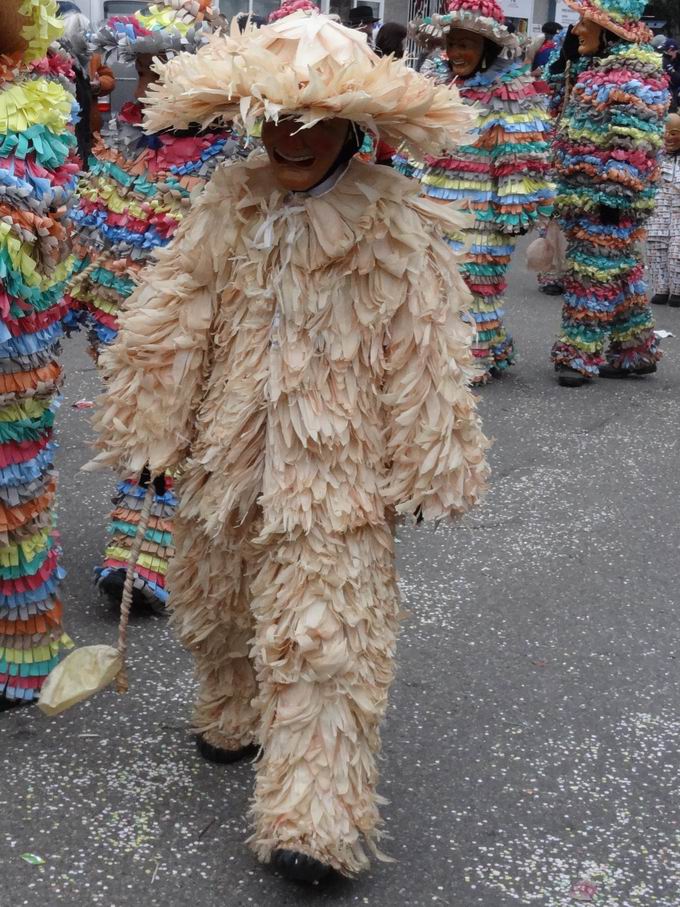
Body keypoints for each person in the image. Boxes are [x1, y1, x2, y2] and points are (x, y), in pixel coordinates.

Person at [88, 11, 489, 882]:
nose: (290, 135)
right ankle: (232, 706)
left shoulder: (394, 220)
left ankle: (317, 816)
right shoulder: (226, 200)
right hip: (223, 456)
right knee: (217, 601)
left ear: (356, 127)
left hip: (333, 475)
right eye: (274, 114)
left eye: (314, 118)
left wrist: (429, 457)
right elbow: (175, 316)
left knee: (327, 638)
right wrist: (152, 424)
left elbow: (425, 346)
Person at [66, 0, 236, 614]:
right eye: (142, 64)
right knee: (145, 429)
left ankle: (135, 557)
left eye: (162, 63)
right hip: (120, 323)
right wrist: (66, 303)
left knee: (166, 431)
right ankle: (148, 548)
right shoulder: (132, 143)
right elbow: (93, 229)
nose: (150, 76)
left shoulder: (238, 157)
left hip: (193, 323)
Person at [0, 0, 79, 710]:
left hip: (11, 348)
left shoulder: (39, 106)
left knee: (10, 495)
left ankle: (19, 650)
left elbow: (48, 228)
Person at [407, 0, 554, 382]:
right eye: (451, 43)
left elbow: (522, 154)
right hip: (435, 199)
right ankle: (486, 344)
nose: (454, 53)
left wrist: (514, 206)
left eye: (465, 44)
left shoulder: (510, 86)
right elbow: (417, 138)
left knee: (476, 280)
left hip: (483, 205)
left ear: (486, 47)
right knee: (438, 279)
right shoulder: (438, 77)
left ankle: (476, 356)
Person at [549, 0, 669, 387]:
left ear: (609, 28)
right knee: (620, 273)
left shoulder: (636, 75)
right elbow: (562, 112)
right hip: (587, 195)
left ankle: (578, 357)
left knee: (591, 273)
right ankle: (636, 352)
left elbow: (637, 142)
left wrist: (614, 198)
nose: (577, 30)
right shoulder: (597, 69)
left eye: (584, 23)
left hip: (607, 200)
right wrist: (568, 64)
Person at [647, 112, 680, 307]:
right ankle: (661, 289)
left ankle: (677, 290)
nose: (668, 137)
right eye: (665, 132)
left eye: (674, 133)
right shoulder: (653, 155)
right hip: (657, 209)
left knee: (677, 252)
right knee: (655, 248)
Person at [662, 39, 680, 111]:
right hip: (668, 93)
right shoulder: (665, 61)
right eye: (675, 52)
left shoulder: (675, 59)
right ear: (670, 50)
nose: (676, 55)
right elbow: (676, 78)